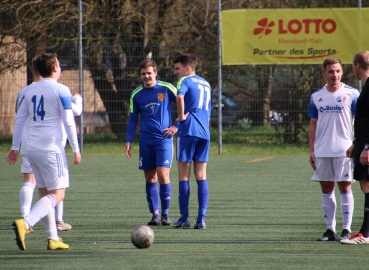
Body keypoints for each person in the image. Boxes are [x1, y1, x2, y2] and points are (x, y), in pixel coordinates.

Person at [7, 53, 81, 250]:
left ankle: (52, 238)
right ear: (55, 68)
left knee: (44, 193)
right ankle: (26, 222)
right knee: (57, 194)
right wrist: (76, 148)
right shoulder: (61, 90)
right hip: (51, 149)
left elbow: (20, 119)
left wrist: (15, 147)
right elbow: (68, 122)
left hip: (30, 150)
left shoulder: (28, 91)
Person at [308, 57, 359, 241]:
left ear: (342, 72)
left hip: (344, 150)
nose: (334, 75)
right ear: (324, 73)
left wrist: (356, 143)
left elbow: (359, 121)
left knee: (345, 188)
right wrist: (312, 150)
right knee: (326, 189)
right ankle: (330, 230)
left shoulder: (352, 94)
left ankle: (346, 229)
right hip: (322, 150)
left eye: (337, 71)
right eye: (330, 71)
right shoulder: (316, 96)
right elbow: (313, 124)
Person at [125, 59, 177, 226]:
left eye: (149, 73)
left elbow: (185, 105)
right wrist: (128, 140)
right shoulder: (136, 94)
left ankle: (165, 214)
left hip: (164, 140)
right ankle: (154, 215)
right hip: (146, 142)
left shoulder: (167, 88)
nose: (146, 76)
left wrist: (176, 126)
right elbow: (133, 120)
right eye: (143, 74)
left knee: (163, 175)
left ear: (156, 73)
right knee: (150, 178)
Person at [172, 55, 211, 230]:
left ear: (187, 69)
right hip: (204, 132)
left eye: (177, 68)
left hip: (188, 130)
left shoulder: (184, 81)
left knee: (184, 176)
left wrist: (180, 118)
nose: (175, 72)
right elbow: (208, 114)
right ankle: (201, 218)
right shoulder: (206, 84)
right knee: (201, 175)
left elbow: (180, 98)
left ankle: (185, 218)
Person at [341, 51, 369, 244]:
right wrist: (356, 142)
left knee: (367, 184)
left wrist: (367, 146)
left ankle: (365, 234)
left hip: (367, 144)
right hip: (362, 141)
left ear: (356, 66)